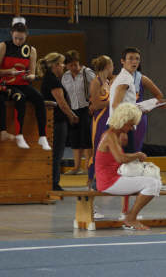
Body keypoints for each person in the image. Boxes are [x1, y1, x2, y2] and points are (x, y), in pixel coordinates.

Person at [110, 47, 166, 218]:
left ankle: (126, 210)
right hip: (123, 126)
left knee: (130, 166)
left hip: (128, 123)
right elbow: (116, 105)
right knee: (128, 167)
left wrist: (142, 107)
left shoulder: (130, 77)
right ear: (122, 61)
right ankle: (126, 211)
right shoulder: (125, 78)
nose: (134, 62)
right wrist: (123, 129)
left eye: (137, 59)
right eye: (131, 58)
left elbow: (159, 96)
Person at [95, 102, 161, 230]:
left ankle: (129, 214)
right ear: (123, 121)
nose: (131, 128)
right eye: (130, 125)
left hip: (112, 178)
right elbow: (121, 159)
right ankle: (131, 218)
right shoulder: (110, 136)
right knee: (153, 184)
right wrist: (137, 155)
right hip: (109, 181)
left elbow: (119, 158)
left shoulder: (113, 135)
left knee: (153, 181)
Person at [0, 17, 51, 150]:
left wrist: (30, 76)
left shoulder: (31, 50)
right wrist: (8, 71)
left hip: (23, 84)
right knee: (20, 98)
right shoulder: (3, 46)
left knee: (39, 99)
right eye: (16, 38)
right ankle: (19, 135)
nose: (18, 41)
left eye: (21, 39)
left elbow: (33, 74)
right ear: (11, 34)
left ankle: (42, 136)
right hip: (6, 84)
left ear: (26, 36)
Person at [39, 52, 79, 192]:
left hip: (54, 120)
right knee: (56, 153)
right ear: (55, 65)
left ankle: (52, 182)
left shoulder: (49, 79)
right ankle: (53, 183)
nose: (63, 67)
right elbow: (61, 103)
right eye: (62, 64)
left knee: (55, 152)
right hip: (57, 121)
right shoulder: (53, 81)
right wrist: (72, 115)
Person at [61, 50, 95, 175]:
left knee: (86, 139)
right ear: (66, 66)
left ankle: (88, 167)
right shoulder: (65, 77)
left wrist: (93, 103)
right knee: (75, 139)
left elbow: (99, 87)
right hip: (73, 110)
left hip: (86, 109)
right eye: (71, 65)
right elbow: (64, 94)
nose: (74, 67)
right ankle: (76, 167)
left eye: (76, 64)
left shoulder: (87, 73)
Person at [87, 55, 114, 188]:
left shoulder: (107, 82)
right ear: (108, 66)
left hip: (108, 119)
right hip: (99, 120)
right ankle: (91, 179)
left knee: (106, 150)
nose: (113, 68)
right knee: (97, 149)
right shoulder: (95, 82)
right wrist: (114, 101)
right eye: (112, 65)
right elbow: (96, 105)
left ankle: (102, 179)